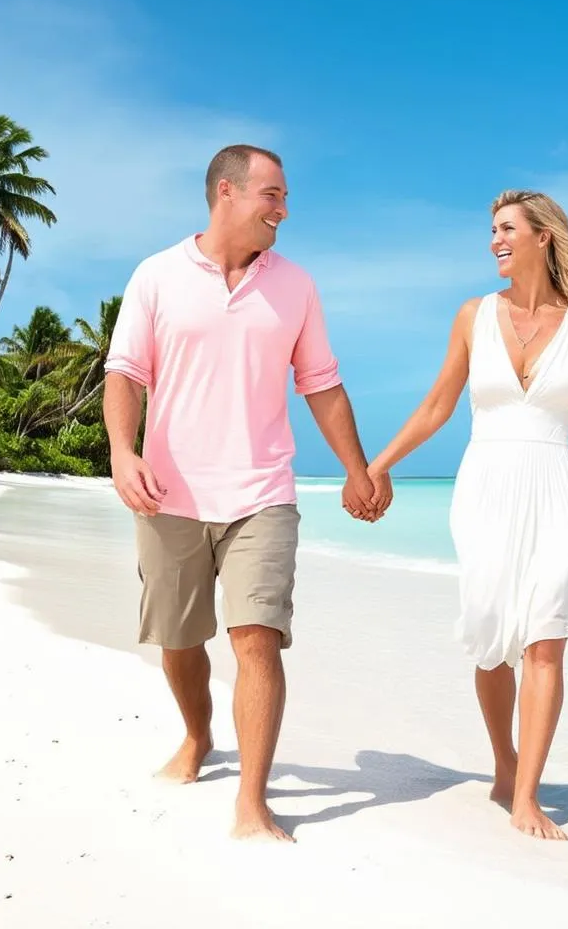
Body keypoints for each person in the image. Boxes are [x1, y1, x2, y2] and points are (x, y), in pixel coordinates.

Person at [103, 144, 392, 842]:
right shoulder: (157, 275)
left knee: (257, 638)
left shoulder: (296, 286)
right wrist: (121, 452)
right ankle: (198, 737)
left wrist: (359, 469)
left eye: (285, 197)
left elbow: (320, 383)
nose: (284, 210)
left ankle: (252, 802)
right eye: (273, 195)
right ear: (226, 192)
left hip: (262, 491)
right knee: (178, 639)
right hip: (169, 491)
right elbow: (125, 372)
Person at [365, 190, 568, 841]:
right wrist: (377, 465)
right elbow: (436, 407)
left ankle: (527, 795)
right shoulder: (474, 315)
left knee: (546, 640)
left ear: (543, 238)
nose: (495, 240)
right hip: (485, 488)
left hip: (555, 486)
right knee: (490, 636)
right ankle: (503, 763)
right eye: (492, 231)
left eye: (506, 229)